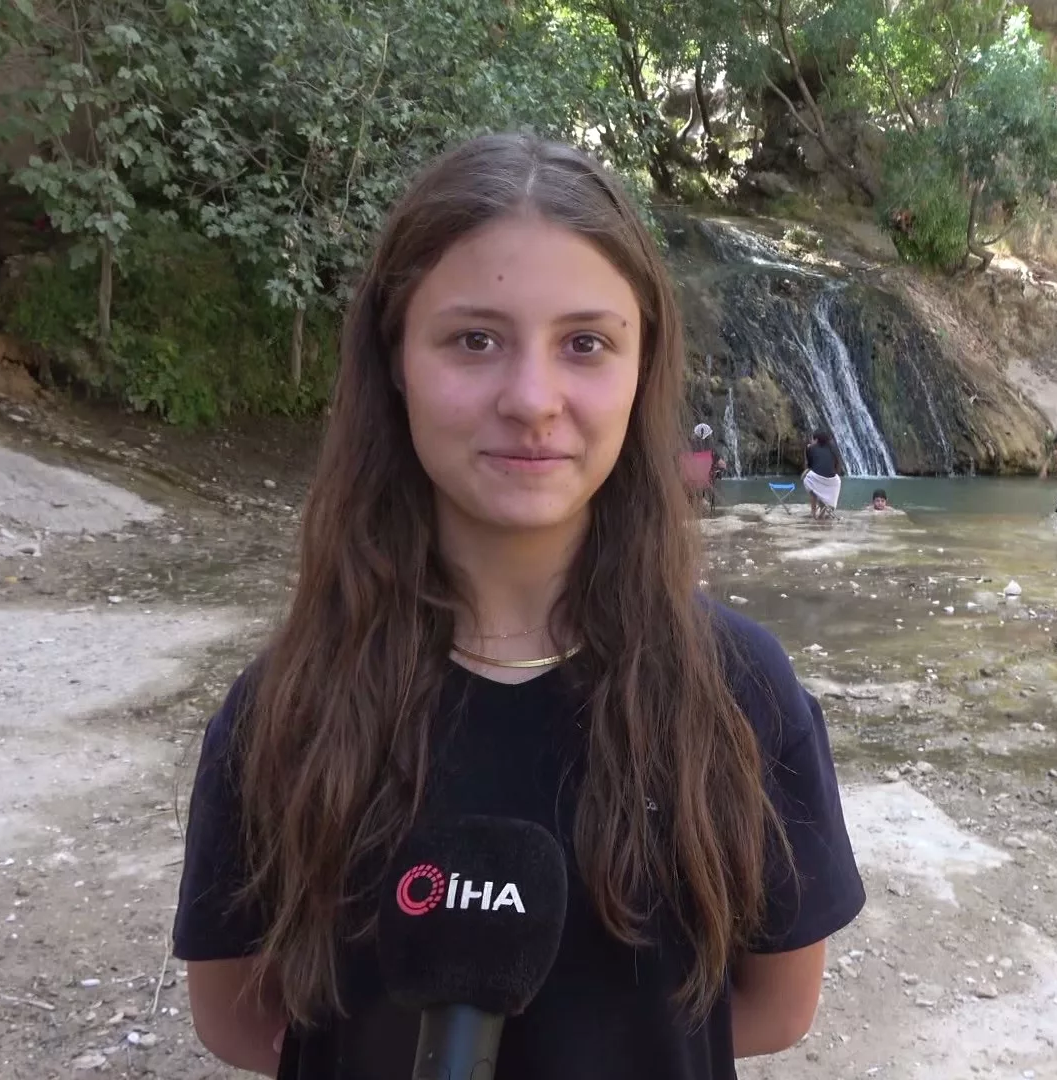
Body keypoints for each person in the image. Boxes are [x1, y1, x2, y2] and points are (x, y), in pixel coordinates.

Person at [172, 135, 864, 1080]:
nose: (533, 400)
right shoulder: (283, 711)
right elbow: (239, 1016)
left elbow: (778, 1004)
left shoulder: (741, 694)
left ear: (642, 368)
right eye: (474, 340)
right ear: (395, 359)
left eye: (585, 344)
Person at [802, 431, 843, 520]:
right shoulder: (833, 448)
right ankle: (822, 513)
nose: (811, 441)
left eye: (812, 439)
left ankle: (813, 512)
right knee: (823, 489)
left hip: (816, 478)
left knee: (810, 484)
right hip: (834, 481)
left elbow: (810, 465)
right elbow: (836, 465)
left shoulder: (811, 448)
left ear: (816, 440)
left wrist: (807, 450)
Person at [684, 422, 718, 510]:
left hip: (689, 478)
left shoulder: (687, 448)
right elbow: (722, 464)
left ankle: (694, 501)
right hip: (704, 478)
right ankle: (704, 502)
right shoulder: (710, 451)